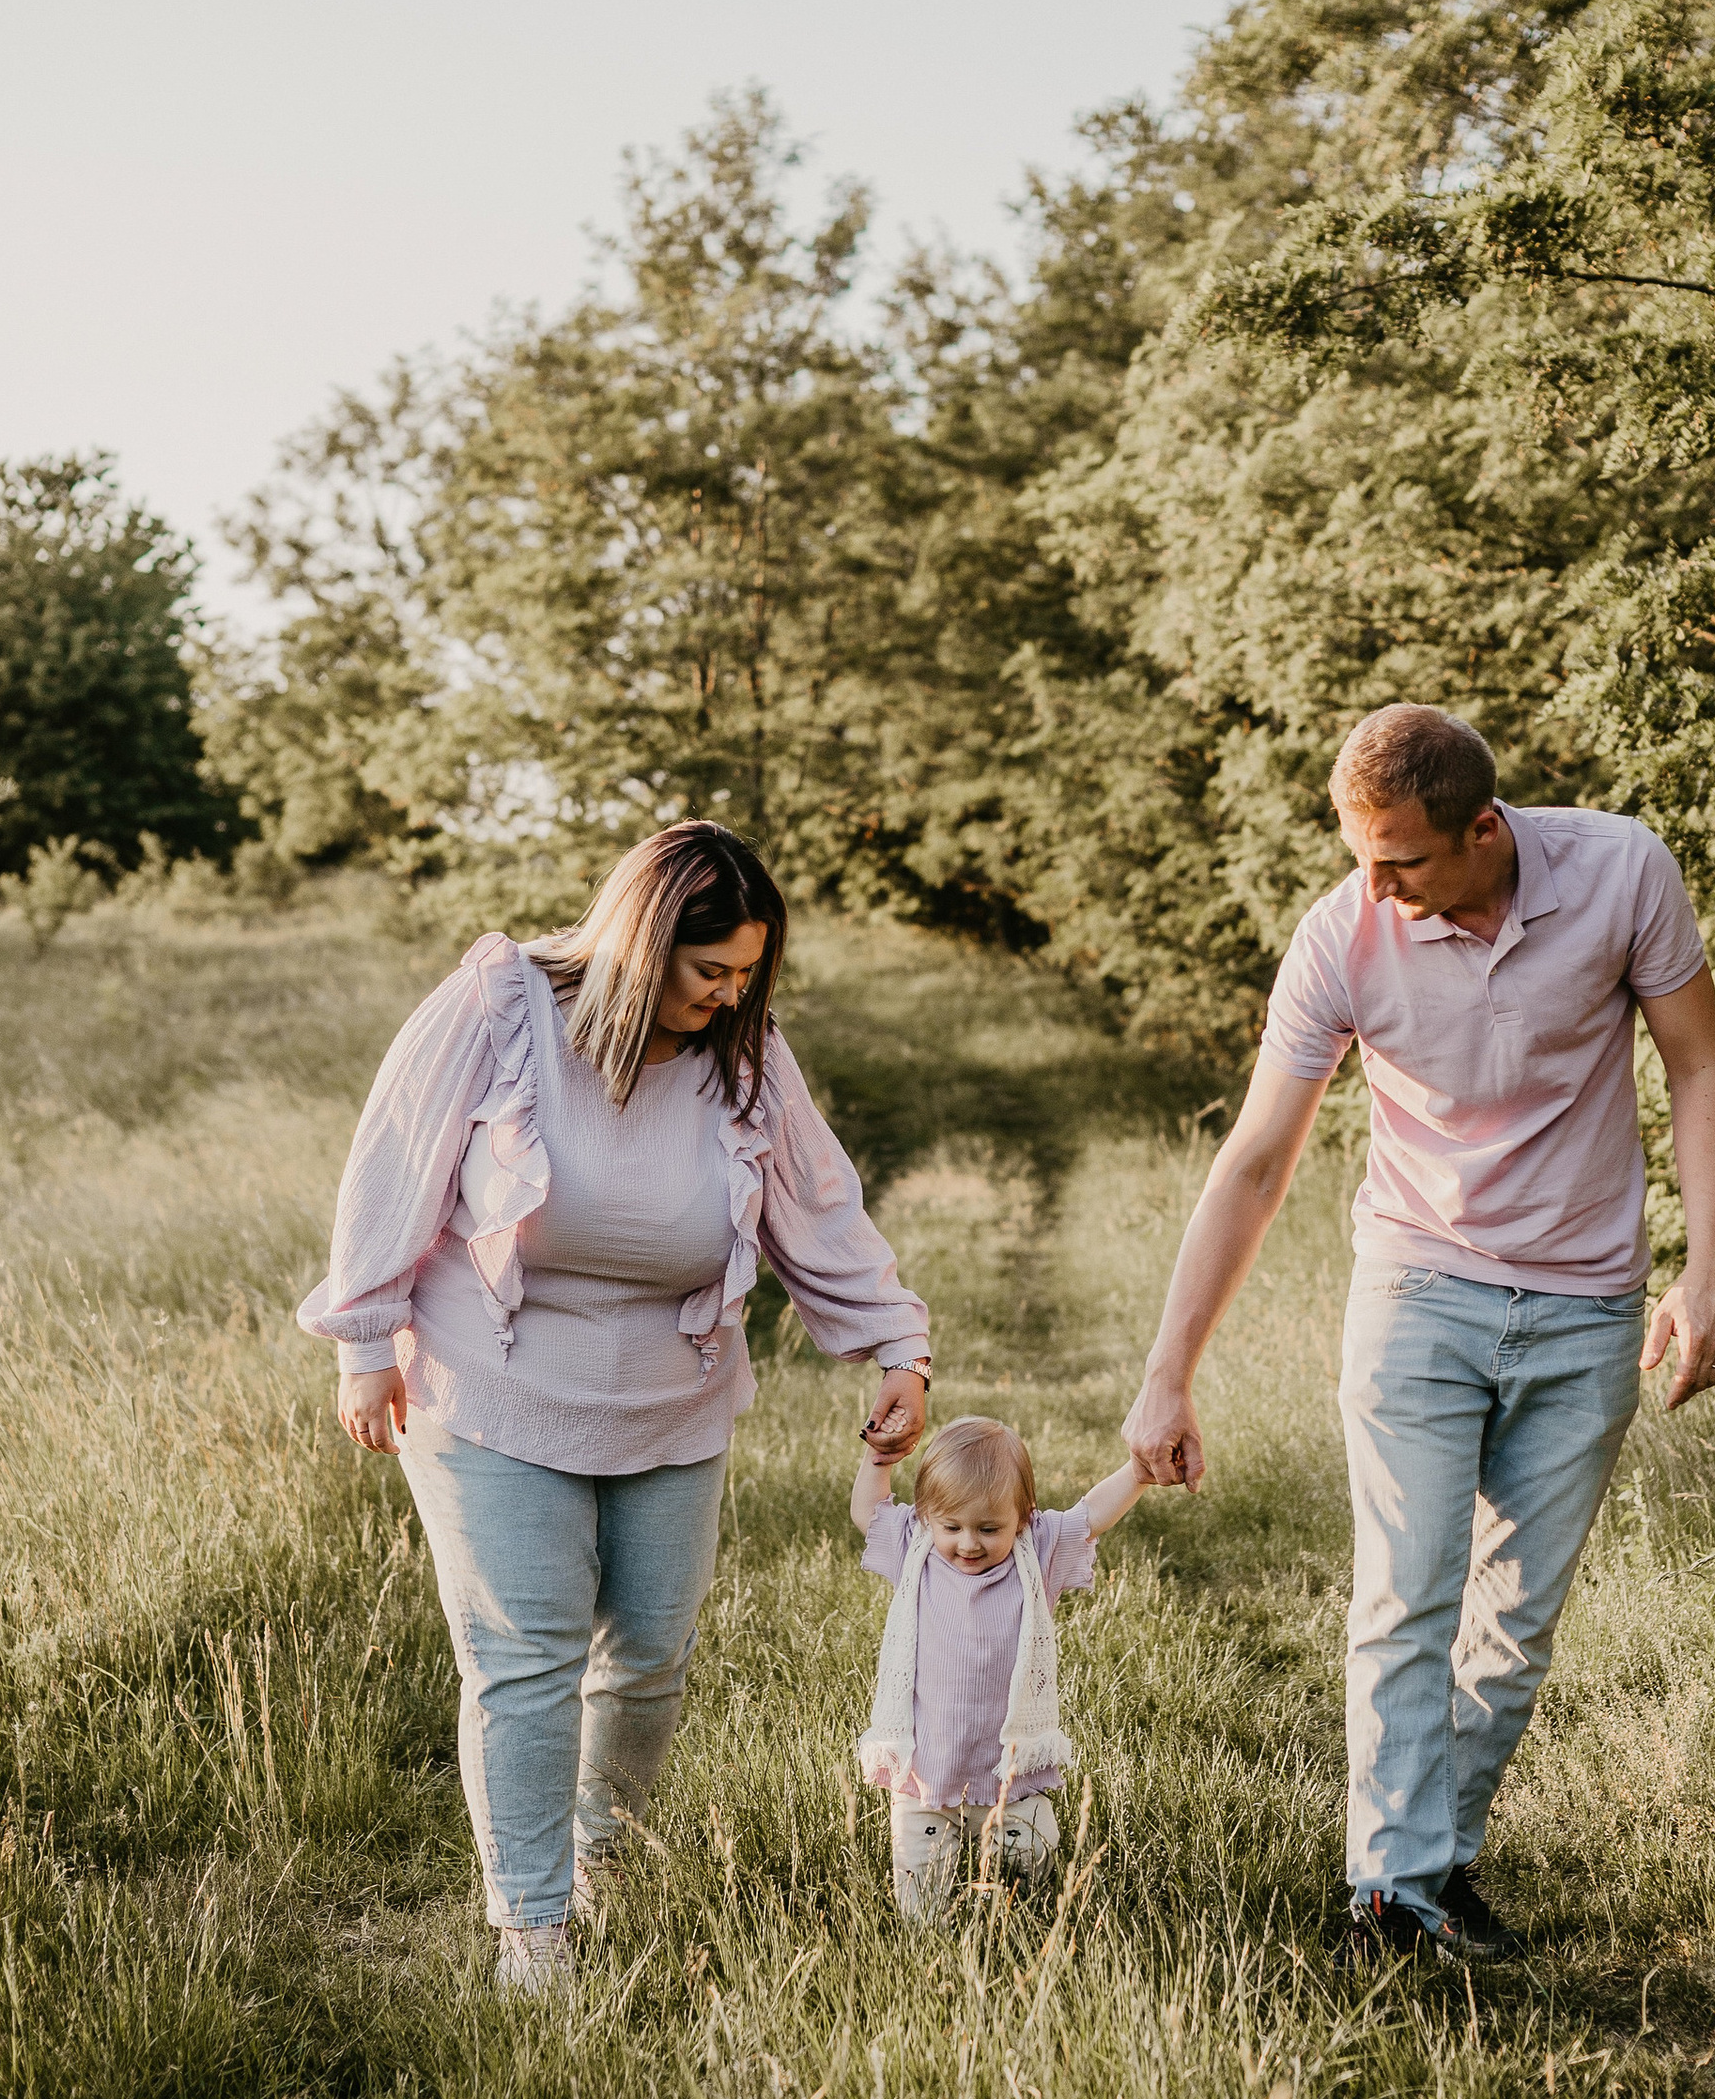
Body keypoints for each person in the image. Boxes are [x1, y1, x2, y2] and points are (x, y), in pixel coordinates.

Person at [1122, 703, 1715, 1971]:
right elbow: (1255, 1163)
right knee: (1406, 1596)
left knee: (1512, 1628)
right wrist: (1166, 1372)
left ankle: (1425, 1864)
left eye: (1400, 859)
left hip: (1585, 1305)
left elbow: (1697, 1066)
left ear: (1483, 830)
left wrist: (1706, 1274)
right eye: (1360, 855)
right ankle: (1391, 1898)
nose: (1375, 885)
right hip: (1417, 1287)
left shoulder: (1622, 871)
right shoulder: (1340, 935)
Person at [300, 823, 930, 1992]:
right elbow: (392, 1159)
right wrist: (364, 1341)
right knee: (526, 1656)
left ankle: (604, 1861)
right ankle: (533, 1930)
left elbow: (817, 1201)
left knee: (648, 1656)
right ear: (643, 943)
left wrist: (897, 1343)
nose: (729, 994)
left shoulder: (746, 1054)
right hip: (489, 1383)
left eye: (747, 972)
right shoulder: (502, 1007)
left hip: (669, 1397)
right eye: (708, 969)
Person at [853, 1414, 1146, 1920]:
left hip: (1009, 1770)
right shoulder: (913, 1550)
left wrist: (1138, 1471)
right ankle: (928, 1939)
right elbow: (868, 1511)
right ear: (926, 1515)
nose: (969, 1544)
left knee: (1033, 1862)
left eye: (990, 1529)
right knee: (920, 1889)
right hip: (929, 1772)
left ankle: (1020, 1920)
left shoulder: (1036, 1554)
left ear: (1023, 1519)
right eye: (952, 1527)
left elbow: (1090, 1516)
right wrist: (879, 1457)